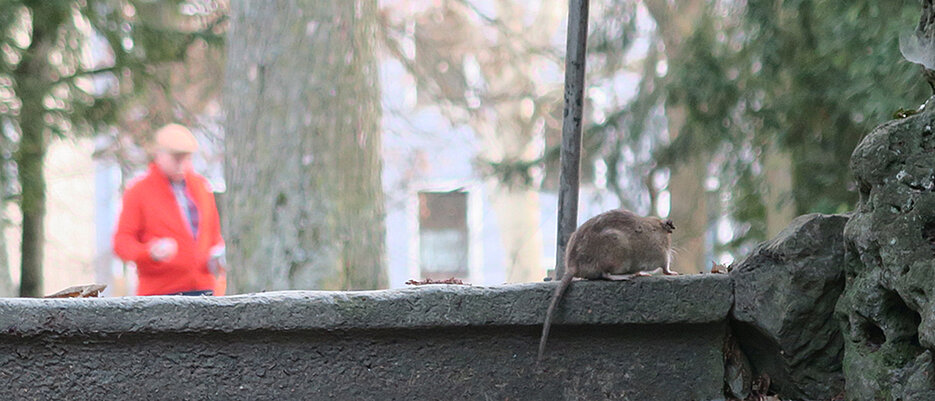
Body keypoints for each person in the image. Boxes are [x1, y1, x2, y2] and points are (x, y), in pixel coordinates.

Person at [113, 123, 226, 296]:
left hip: (204, 291)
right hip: (161, 294)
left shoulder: (202, 187)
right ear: (159, 154)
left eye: (187, 158)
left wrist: (217, 257)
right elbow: (122, 243)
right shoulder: (139, 191)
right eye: (176, 158)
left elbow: (213, 236)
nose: (182, 164)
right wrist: (149, 252)